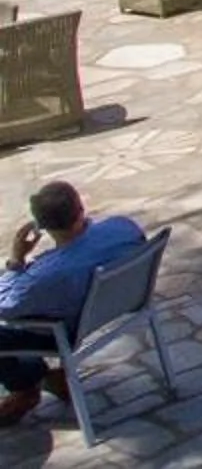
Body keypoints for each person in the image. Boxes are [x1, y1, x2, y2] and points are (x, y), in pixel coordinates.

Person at [0, 183, 145, 427]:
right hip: (113, 307)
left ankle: (25, 387)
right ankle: (47, 378)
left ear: (41, 226)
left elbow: (7, 307)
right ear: (81, 208)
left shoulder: (46, 277)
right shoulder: (124, 228)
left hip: (66, 330)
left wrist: (16, 261)